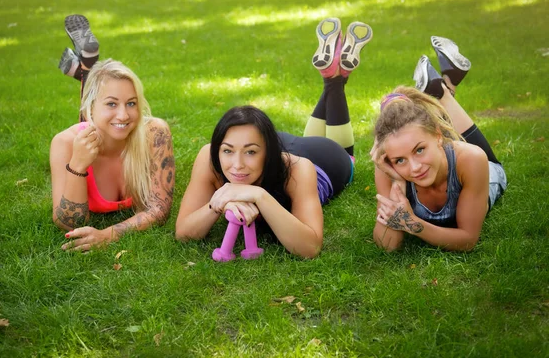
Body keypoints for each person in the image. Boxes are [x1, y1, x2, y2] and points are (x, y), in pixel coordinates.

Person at [175, 18, 373, 258]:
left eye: (250, 152)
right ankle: (332, 77)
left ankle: (333, 80)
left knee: (346, 154)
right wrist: (219, 201)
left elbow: (310, 248)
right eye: (227, 151)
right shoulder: (209, 155)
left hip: (326, 158)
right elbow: (183, 233)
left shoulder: (300, 169)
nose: (236, 164)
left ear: (267, 152)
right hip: (274, 143)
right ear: (218, 148)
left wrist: (258, 195)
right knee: (288, 138)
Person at [50, 15, 175, 252]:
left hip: (99, 121)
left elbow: (159, 209)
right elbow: (69, 223)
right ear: (90, 111)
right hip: (86, 133)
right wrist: (77, 165)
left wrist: (108, 234)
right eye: (111, 104)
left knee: (110, 118)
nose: (124, 115)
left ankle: (86, 70)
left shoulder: (155, 133)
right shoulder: (64, 143)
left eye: (131, 103)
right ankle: (87, 73)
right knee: (94, 128)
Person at [371, 36, 507, 252]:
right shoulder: (388, 166)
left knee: (481, 157)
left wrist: (414, 225)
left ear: (437, 135)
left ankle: (442, 94)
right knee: (415, 135)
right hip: (436, 147)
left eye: (419, 150)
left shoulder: (471, 159)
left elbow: (467, 240)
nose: (414, 168)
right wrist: (396, 182)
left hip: (484, 169)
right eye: (400, 160)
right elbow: (387, 245)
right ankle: (441, 89)